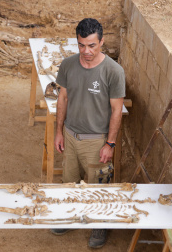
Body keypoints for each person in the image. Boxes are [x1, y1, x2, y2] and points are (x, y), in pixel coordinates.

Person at [51, 18, 126, 248]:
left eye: (92, 45)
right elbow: (62, 98)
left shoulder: (114, 72)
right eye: (81, 45)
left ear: (101, 42)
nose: (86, 51)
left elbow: (116, 110)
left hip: (96, 141)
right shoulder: (68, 65)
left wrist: (110, 144)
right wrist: (59, 131)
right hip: (72, 137)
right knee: (69, 182)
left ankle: (99, 224)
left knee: (97, 186)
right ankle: (70, 216)